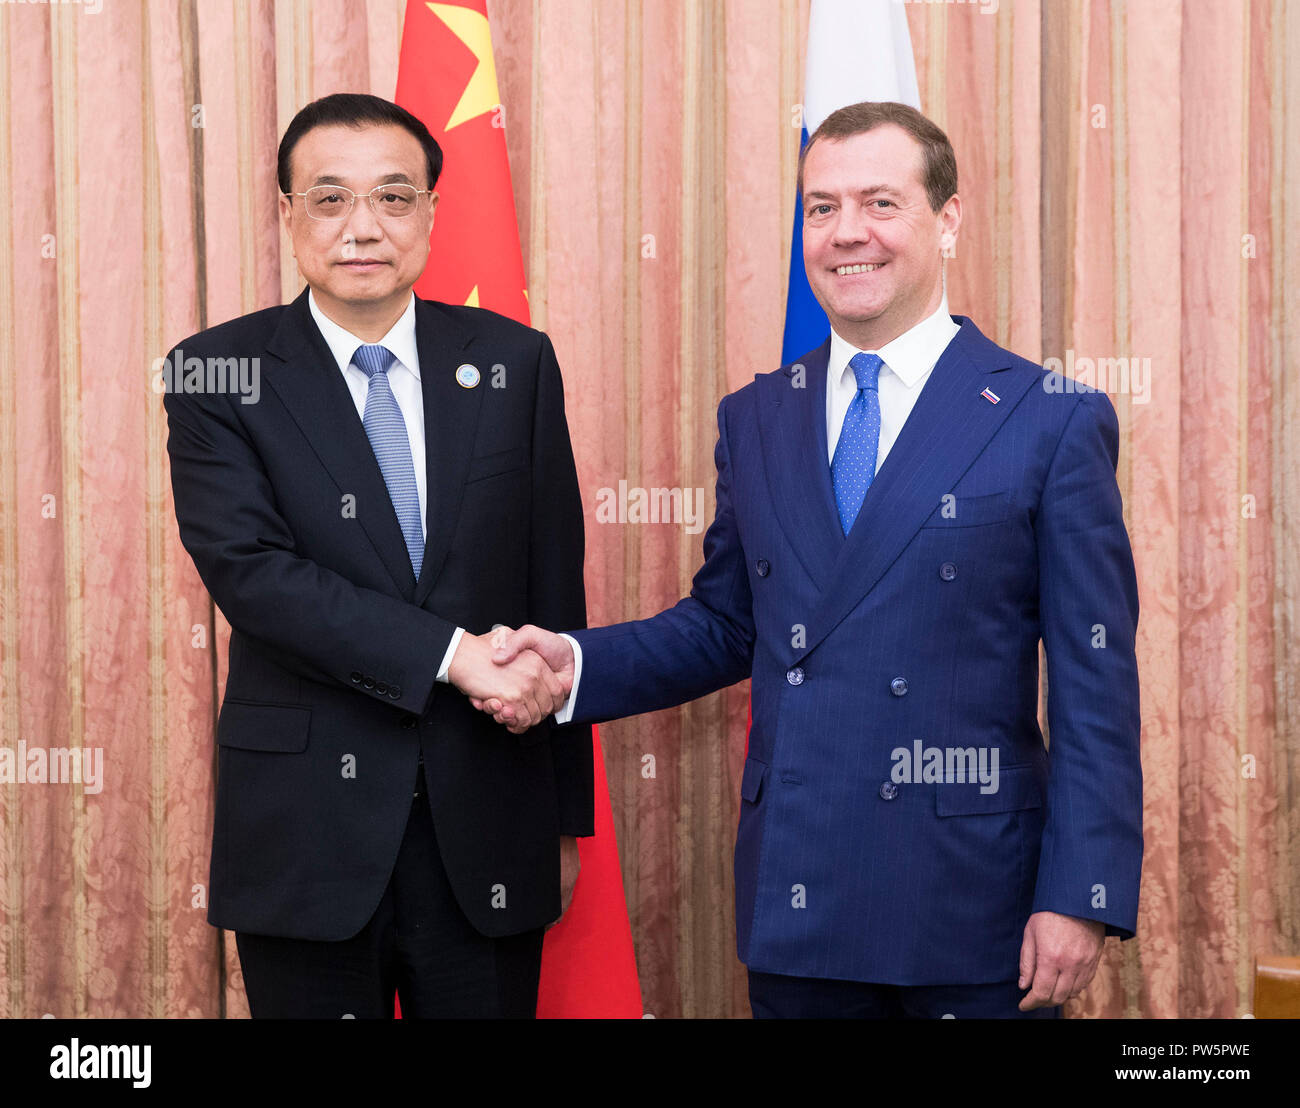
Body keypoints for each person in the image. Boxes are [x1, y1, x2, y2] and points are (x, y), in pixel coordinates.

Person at [486, 101, 1142, 1019]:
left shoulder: (1050, 417)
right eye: (822, 207)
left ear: (947, 220)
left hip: (973, 903)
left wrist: (1080, 894)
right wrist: (577, 665)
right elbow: (726, 625)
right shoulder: (757, 416)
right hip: (801, 891)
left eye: (881, 202)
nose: (848, 234)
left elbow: (1095, 682)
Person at [162, 93, 591, 1018]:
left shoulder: (517, 362)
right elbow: (257, 578)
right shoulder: (213, 374)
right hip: (306, 839)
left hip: (490, 827)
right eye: (329, 199)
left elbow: (556, 590)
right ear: (286, 216)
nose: (363, 227)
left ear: (432, 211)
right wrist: (454, 653)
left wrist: (564, 820)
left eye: (394, 198)